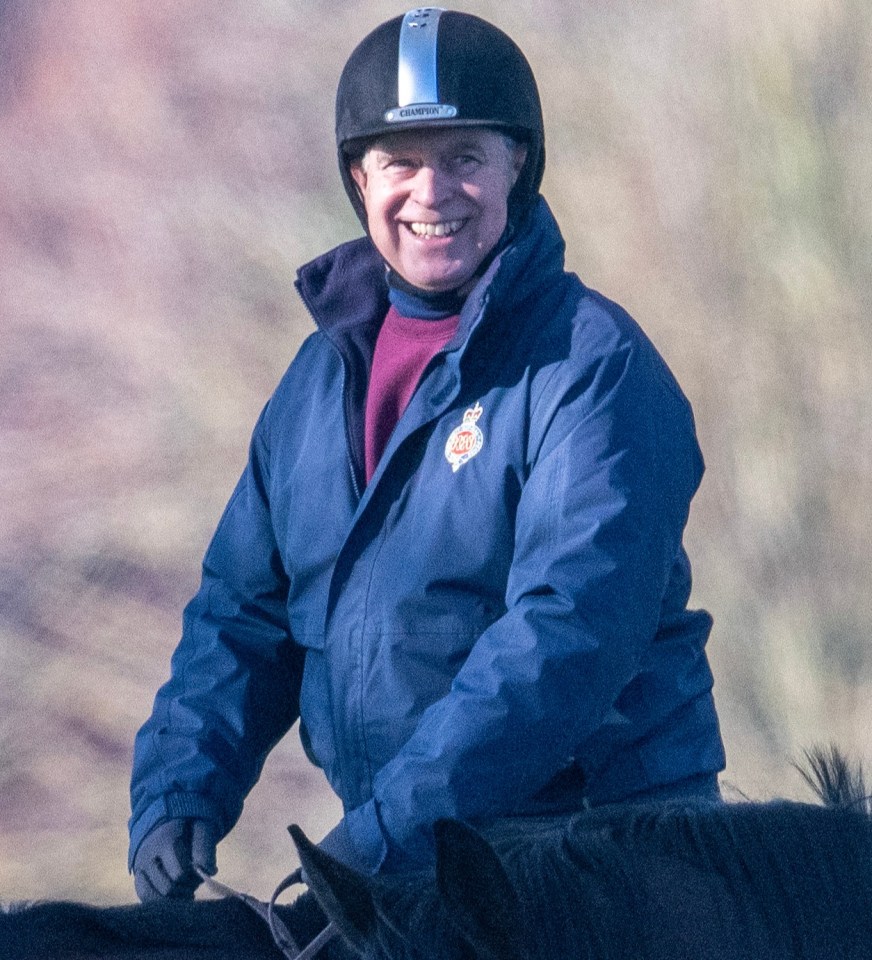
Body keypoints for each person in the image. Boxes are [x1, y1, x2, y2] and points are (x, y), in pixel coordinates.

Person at [129, 7, 726, 902]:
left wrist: (380, 842)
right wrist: (180, 787)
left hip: (600, 861)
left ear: (517, 167)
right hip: (421, 866)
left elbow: (562, 638)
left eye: (464, 160)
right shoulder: (314, 384)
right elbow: (243, 612)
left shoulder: (593, 368)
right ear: (358, 181)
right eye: (400, 163)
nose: (431, 193)